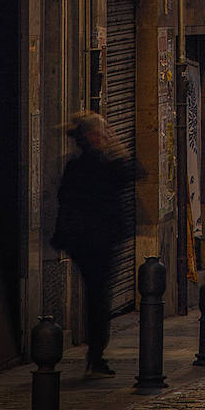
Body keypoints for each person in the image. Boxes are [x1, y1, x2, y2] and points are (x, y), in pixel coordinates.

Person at [52, 112, 141, 378]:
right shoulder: (100, 164)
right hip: (98, 241)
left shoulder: (75, 165)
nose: (106, 136)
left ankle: (95, 355)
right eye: (102, 132)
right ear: (91, 136)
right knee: (99, 298)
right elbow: (134, 171)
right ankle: (96, 357)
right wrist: (116, 145)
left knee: (97, 297)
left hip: (84, 242)